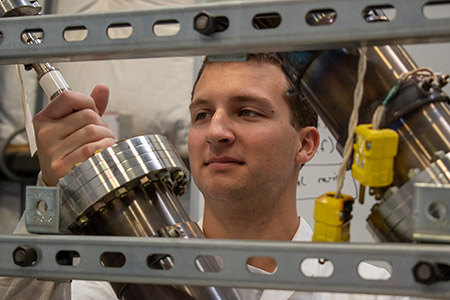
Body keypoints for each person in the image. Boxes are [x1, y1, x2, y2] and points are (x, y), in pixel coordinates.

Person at [1, 53, 403, 300]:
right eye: (202, 115)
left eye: (248, 112)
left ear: (306, 145)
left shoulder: (368, 289)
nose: (216, 132)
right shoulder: (115, 279)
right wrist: (52, 194)